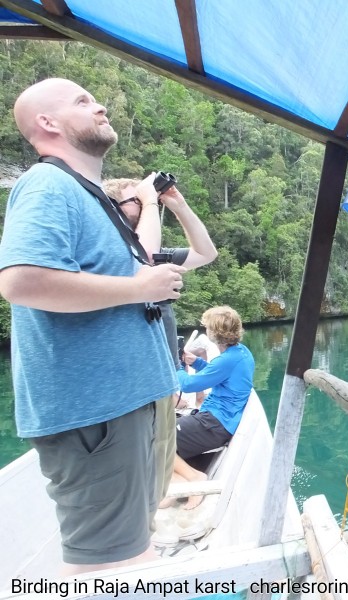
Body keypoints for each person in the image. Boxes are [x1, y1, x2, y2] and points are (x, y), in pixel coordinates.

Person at [0, 78, 185, 574]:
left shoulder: (88, 196)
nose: (99, 104)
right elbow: (22, 280)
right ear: (48, 123)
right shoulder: (46, 184)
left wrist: (149, 206)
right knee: (109, 570)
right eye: (82, 100)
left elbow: (134, 261)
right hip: (95, 415)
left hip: (123, 408)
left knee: (129, 552)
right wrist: (139, 289)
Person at [103, 176, 217, 519]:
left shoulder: (152, 256)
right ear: (115, 209)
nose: (144, 202)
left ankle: (176, 483)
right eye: (135, 199)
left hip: (162, 364)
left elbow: (206, 253)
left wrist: (178, 205)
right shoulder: (113, 251)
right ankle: (171, 484)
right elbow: (142, 255)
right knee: (145, 433)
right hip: (132, 367)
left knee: (159, 432)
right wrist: (150, 201)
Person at [169, 306, 254, 509]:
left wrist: (176, 366)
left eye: (207, 327)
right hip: (215, 419)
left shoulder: (227, 359)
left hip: (215, 424)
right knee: (159, 434)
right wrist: (195, 362)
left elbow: (188, 385)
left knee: (157, 439)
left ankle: (193, 480)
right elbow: (218, 373)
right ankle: (176, 484)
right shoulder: (240, 353)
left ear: (214, 333)